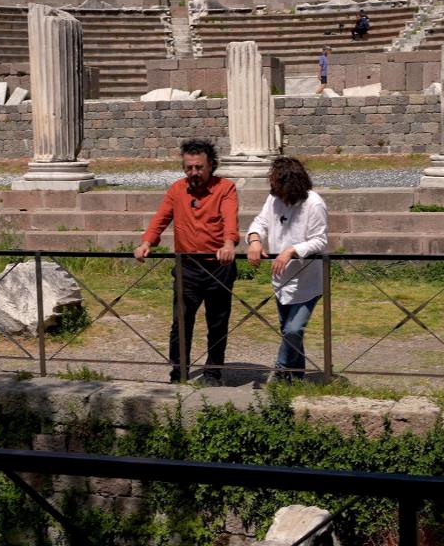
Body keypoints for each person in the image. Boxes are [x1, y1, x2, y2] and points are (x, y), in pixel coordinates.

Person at [134, 139, 239, 385]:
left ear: (211, 165)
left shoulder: (226, 188)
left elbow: (230, 219)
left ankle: (213, 372)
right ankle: (178, 371)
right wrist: (147, 242)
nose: (194, 173)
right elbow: (161, 219)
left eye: (199, 167)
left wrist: (229, 243)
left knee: (217, 323)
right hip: (187, 268)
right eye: (189, 168)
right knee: (180, 323)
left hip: (218, 267)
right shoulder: (176, 190)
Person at [246, 157, 328, 383]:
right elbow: (260, 223)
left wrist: (292, 250)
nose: (274, 189)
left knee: (293, 330)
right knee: (291, 335)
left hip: (307, 283)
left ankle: (280, 371)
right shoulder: (273, 199)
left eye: (277, 184)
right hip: (281, 281)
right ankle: (296, 380)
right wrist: (254, 240)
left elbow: (319, 241)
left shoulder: (314, 204)